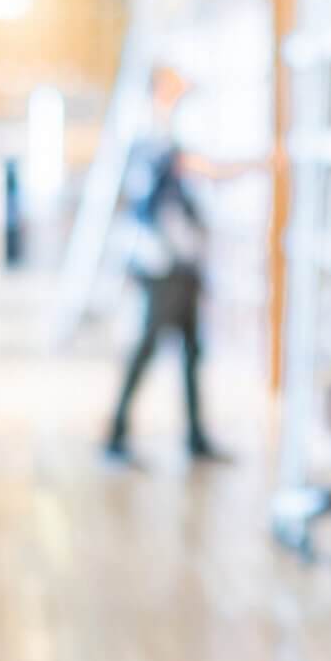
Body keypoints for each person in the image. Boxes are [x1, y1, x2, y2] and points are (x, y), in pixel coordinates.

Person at [103, 67, 227, 465]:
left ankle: (195, 437)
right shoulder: (150, 134)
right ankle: (116, 434)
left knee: (191, 349)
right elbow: (192, 170)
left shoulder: (163, 130)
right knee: (148, 345)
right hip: (161, 261)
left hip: (180, 260)